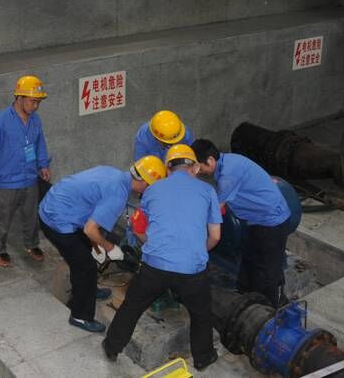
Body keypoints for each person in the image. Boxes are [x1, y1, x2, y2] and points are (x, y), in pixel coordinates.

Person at [103, 144, 221, 371]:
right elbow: (215, 236)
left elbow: (138, 229)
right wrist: (197, 251)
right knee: (201, 313)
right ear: (195, 168)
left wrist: (155, 247)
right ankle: (203, 358)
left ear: (168, 169)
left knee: (132, 306)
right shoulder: (208, 192)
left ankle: (112, 346)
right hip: (192, 270)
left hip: (154, 266)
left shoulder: (153, 190)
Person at [38, 156, 166, 333]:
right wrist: (110, 248)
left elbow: (90, 219)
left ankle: (88, 288)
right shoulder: (118, 194)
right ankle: (80, 316)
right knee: (85, 266)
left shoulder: (114, 173)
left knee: (84, 252)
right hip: (56, 220)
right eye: (151, 186)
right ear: (144, 182)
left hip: (56, 204)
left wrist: (96, 246)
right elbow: (90, 229)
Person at [192, 138, 291, 307]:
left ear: (210, 160)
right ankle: (245, 296)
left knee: (269, 271)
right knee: (249, 260)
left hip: (272, 222)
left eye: (198, 166)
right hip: (256, 221)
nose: (197, 171)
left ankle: (273, 308)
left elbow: (214, 211)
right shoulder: (228, 161)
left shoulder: (228, 175)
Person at [0, 75, 51, 268]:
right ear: (19, 97)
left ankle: (31, 244)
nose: (36, 106)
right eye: (33, 101)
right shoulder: (2, 120)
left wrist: (43, 165)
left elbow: (40, 143)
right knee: (3, 219)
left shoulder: (35, 120)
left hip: (30, 178)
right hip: (8, 180)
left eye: (38, 102)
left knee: (31, 216)